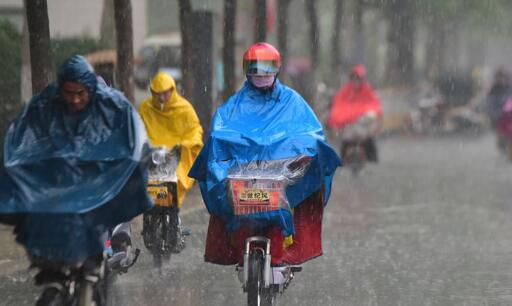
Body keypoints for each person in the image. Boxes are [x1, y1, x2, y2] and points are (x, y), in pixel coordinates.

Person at [0, 55, 152, 281]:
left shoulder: (114, 108)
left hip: (100, 186)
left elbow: (134, 142)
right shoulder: (45, 107)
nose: (75, 100)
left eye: (81, 94)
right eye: (69, 93)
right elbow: (25, 142)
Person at [189, 42, 340, 266]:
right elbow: (219, 137)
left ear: (277, 68)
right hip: (243, 179)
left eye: (266, 67)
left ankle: (286, 250)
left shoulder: (292, 101)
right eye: (255, 68)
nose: (261, 73)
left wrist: (299, 154)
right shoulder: (233, 106)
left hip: (280, 177)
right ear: (246, 69)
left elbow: (310, 133)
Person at [138, 71, 203, 208]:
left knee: (176, 182)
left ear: (172, 90)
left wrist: (184, 144)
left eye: (165, 93)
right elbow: (138, 130)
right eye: (157, 93)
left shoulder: (184, 108)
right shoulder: (145, 108)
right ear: (152, 92)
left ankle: (173, 209)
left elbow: (194, 130)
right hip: (152, 157)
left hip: (176, 157)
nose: (161, 98)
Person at [327, 64, 382, 162]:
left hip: (362, 126)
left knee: (367, 140)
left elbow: (372, 104)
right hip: (349, 127)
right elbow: (339, 104)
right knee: (347, 141)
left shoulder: (366, 90)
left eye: (358, 79)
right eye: (354, 78)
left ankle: (371, 159)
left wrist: (358, 112)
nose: (356, 82)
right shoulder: (346, 90)